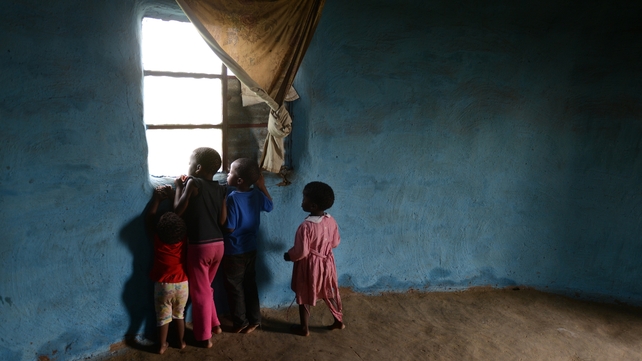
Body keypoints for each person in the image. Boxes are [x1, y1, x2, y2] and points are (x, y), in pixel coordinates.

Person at [174, 147, 227, 348]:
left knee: (199, 293)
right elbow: (223, 220)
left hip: (199, 247)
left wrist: (179, 187)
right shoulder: (221, 188)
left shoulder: (193, 183)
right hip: (218, 246)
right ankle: (215, 324)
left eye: (189, 163)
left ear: (197, 167)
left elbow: (178, 211)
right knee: (206, 289)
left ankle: (204, 337)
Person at [284, 181, 345, 336]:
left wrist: (289, 255)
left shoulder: (306, 226)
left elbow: (302, 251)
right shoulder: (331, 220)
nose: (302, 201)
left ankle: (304, 328)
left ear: (313, 206)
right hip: (327, 264)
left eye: (304, 199)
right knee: (326, 292)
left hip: (310, 266)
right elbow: (336, 242)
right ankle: (339, 321)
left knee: (304, 294)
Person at [222, 158, 273, 334]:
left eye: (229, 172)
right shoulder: (257, 195)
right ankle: (255, 320)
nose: (227, 175)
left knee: (235, 287)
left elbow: (229, 227)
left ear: (239, 181)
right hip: (251, 248)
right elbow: (270, 206)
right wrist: (262, 186)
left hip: (234, 250)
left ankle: (240, 322)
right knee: (250, 285)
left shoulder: (233, 198)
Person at [145, 185, 188, 354]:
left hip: (163, 284)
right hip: (183, 283)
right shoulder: (183, 239)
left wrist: (156, 200)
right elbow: (179, 219)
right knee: (180, 314)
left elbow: (149, 219)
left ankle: (162, 345)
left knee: (163, 316)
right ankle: (181, 341)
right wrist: (173, 197)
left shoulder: (158, 239)